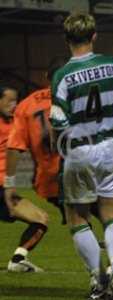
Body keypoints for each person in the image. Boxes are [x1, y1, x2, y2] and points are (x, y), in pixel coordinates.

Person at [50, 13, 113, 300]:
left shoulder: (63, 75)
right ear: (94, 36)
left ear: (67, 40)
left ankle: (98, 278)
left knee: (77, 216)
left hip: (80, 147)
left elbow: (58, 120)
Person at [0, 85, 49, 273]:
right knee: (41, 219)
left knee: (40, 219)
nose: (13, 105)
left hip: (4, 189)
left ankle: (18, 259)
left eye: (15, 101)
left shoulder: (16, 122)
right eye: (9, 101)